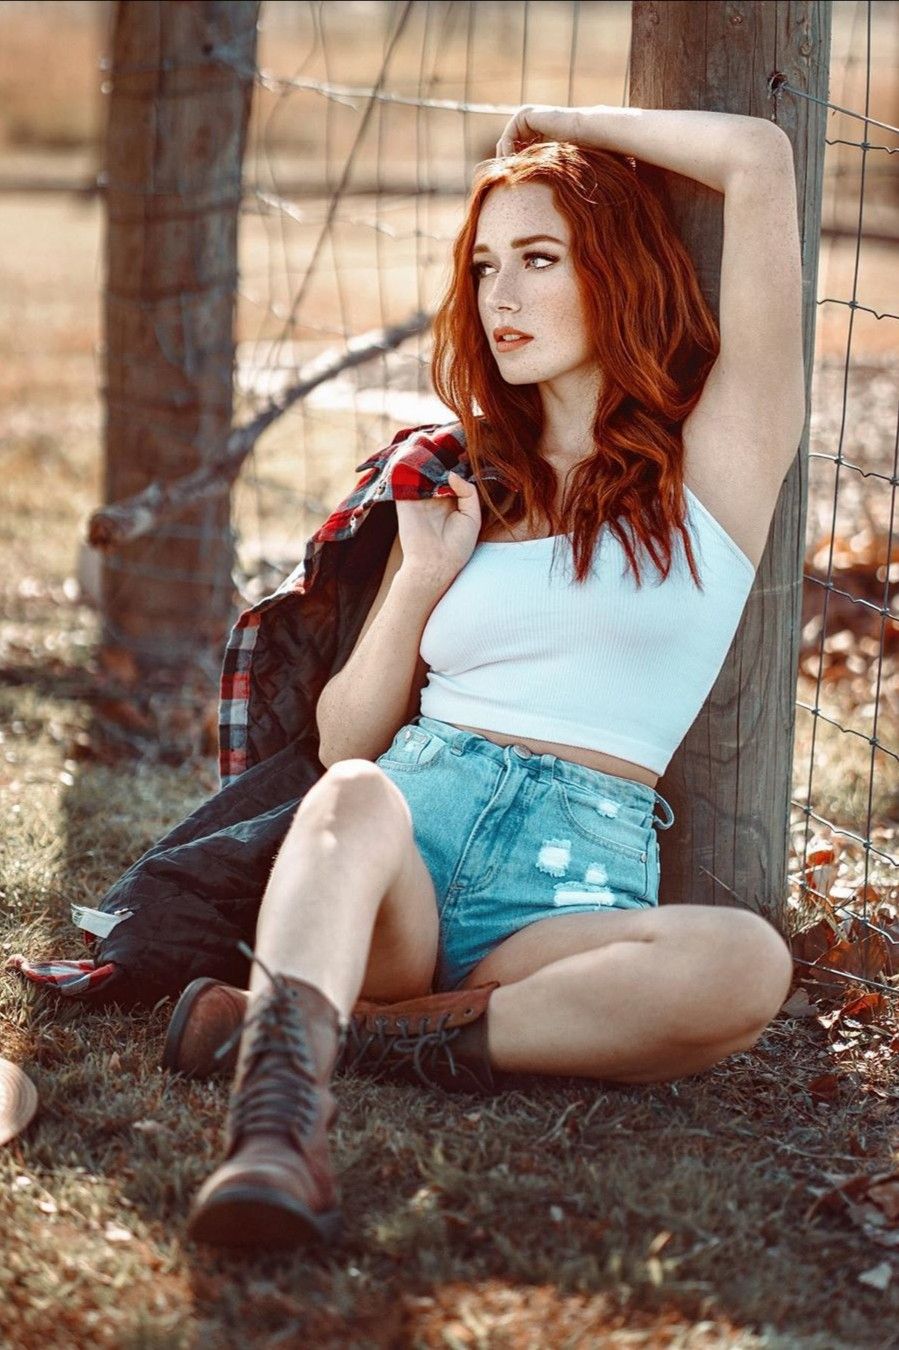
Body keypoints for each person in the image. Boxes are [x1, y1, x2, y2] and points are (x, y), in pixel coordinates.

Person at [176, 104, 805, 1251]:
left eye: (538, 259)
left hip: (562, 903)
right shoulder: (468, 484)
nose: (498, 296)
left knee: (744, 965)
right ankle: (273, 1132)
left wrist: (548, 124)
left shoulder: (717, 468)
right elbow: (343, 743)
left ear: (615, 272)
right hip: (408, 853)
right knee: (350, 796)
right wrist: (421, 577)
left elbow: (756, 157)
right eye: (481, 266)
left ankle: (340, 1029)